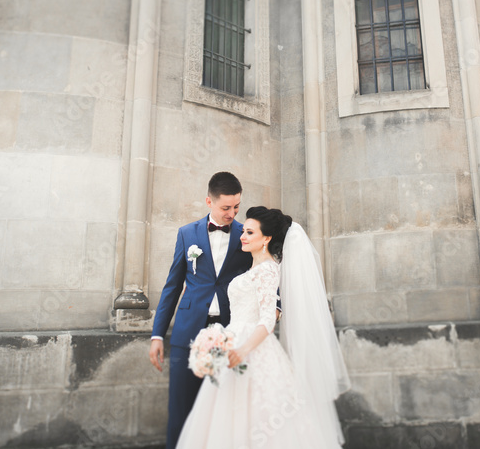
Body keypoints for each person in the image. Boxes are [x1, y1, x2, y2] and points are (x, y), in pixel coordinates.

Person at [175, 206, 351, 449]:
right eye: (244, 231)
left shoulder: (268, 270)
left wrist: (244, 349)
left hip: (251, 347)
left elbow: (268, 319)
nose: (242, 236)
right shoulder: (255, 268)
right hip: (234, 341)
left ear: (266, 238)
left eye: (249, 232)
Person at [149, 172, 253, 449]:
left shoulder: (247, 235)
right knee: (181, 410)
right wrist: (157, 335)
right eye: (225, 207)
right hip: (188, 332)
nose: (232, 213)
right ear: (209, 201)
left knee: (226, 412)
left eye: (236, 207)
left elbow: (262, 273)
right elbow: (172, 286)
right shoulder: (187, 234)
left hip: (231, 333)